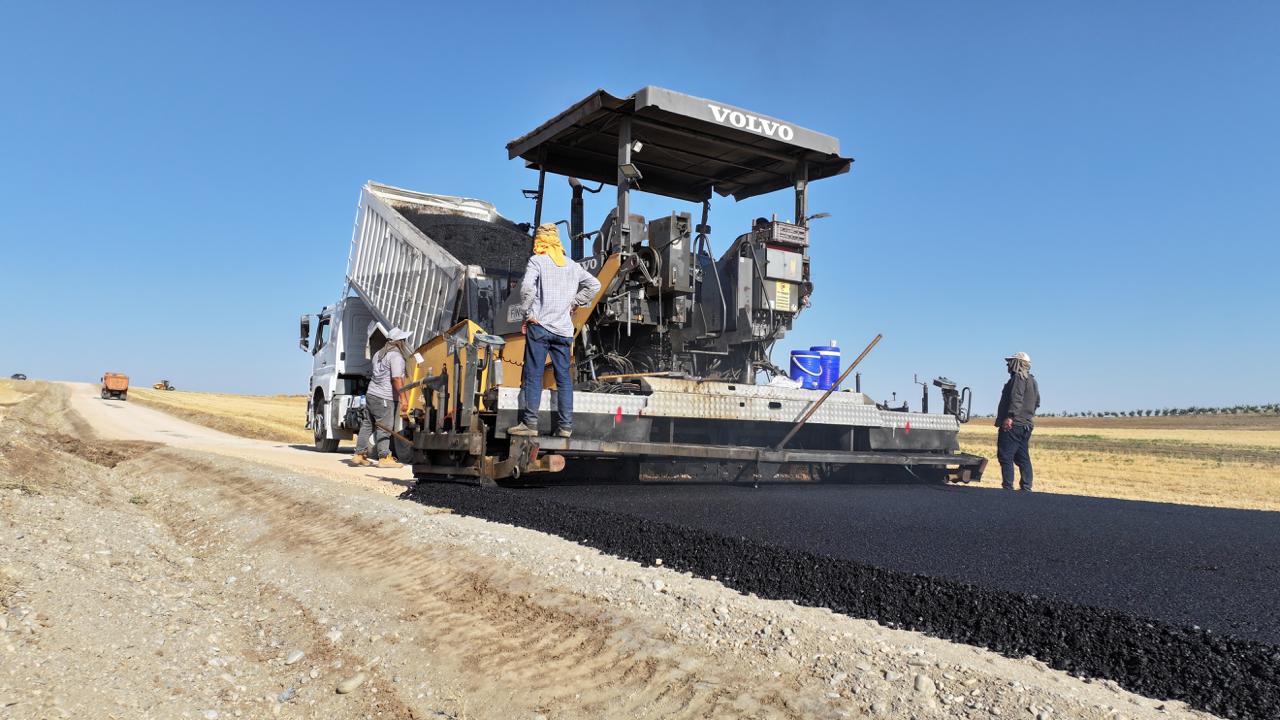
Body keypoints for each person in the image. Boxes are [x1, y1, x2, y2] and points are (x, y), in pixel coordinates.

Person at [507, 223, 601, 438]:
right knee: (564, 379)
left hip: (539, 327)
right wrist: (575, 302)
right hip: (564, 331)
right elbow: (594, 285)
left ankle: (530, 424)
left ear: (540, 241)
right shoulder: (573, 266)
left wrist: (526, 313)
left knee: (534, 374)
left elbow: (527, 288)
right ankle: (566, 426)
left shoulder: (537, 261)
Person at [352, 328, 411, 468]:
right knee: (385, 426)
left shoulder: (379, 353)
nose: (405, 342)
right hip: (385, 397)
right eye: (403, 340)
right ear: (398, 342)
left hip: (371, 394)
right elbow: (396, 378)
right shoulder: (396, 356)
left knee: (367, 424)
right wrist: (404, 399)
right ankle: (384, 457)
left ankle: (359, 455)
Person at [995, 351, 1040, 491]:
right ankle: (1026, 486)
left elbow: (1016, 398)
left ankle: (1008, 487)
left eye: (1010, 362)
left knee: (1005, 455)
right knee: (1022, 456)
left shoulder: (1018, 378)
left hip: (1013, 425)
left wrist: (1010, 417)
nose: (1008, 365)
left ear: (1017, 363)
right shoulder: (1032, 380)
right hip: (1026, 425)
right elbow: (1037, 402)